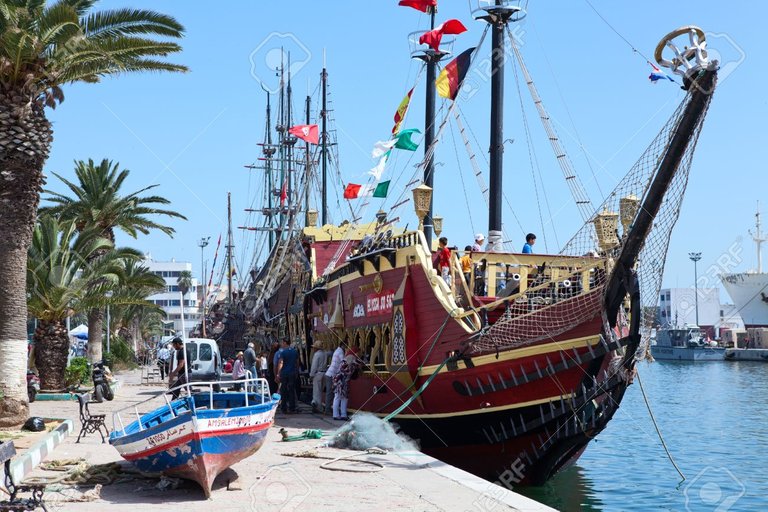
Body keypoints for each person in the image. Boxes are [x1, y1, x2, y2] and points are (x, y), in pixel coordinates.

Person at [332, 347, 360, 421]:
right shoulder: (352, 362)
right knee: (342, 398)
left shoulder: (344, 361)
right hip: (342, 381)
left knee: (339, 397)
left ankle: (337, 414)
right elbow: (349, 373)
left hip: (338, 381)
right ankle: (342, 414)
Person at [275, 338, 299, 414]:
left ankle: (284, 408)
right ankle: (292, 407)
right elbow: (297, 363)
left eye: (282, 342)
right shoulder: (295, 352)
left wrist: (278, 373)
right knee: (291, 390)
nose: (282, 344)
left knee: (283, 390)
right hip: (292, 373)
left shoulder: (283, 352)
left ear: (285, 343)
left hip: (284, 374)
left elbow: (280, 362)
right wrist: (296, 371)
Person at [324, 343, 344, 415]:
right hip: (331, 374)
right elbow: (343, 362)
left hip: (330, 373)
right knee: (330, 392)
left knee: (331, 392)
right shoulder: (340, 352)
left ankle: (328, 408)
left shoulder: (337, 351)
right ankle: (327, 409)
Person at [309, 340, 328, 413]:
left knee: (316, 391)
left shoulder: (317, 354)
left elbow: (314, 366)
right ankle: (316, 404)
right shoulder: (325, 353)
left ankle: (317, 405)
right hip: (324, 372)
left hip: (317, 373)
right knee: (320, 390)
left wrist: (311, 375)